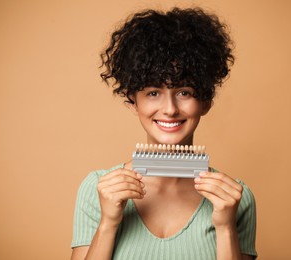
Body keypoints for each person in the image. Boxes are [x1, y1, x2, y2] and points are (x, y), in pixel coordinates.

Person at [71, 7, 257, 260]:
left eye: (184, 92)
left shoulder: (235, 197)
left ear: (206, 101)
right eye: (153, 93)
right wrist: (108, 223)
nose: (170, 110)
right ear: (132, 102)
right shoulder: (98, 189)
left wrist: (226, 229)